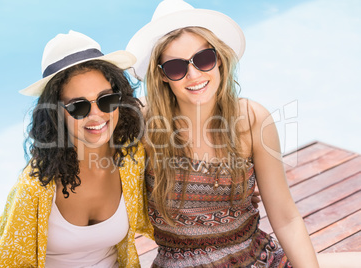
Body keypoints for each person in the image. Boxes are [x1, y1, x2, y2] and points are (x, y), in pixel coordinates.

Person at [126, 0, 344, 267]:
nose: (193, 75)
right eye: (176, 68)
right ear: (161, 75)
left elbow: (286, 217)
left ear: (219, 59)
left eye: (203, 59)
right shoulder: (143, 125)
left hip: (256, 258)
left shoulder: (251, 120)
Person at [0, 30, 153, 268]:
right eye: (79, 106)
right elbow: (10, 262)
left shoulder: (131, 158)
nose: (97, 114)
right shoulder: (36, 187)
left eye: (107, 99)